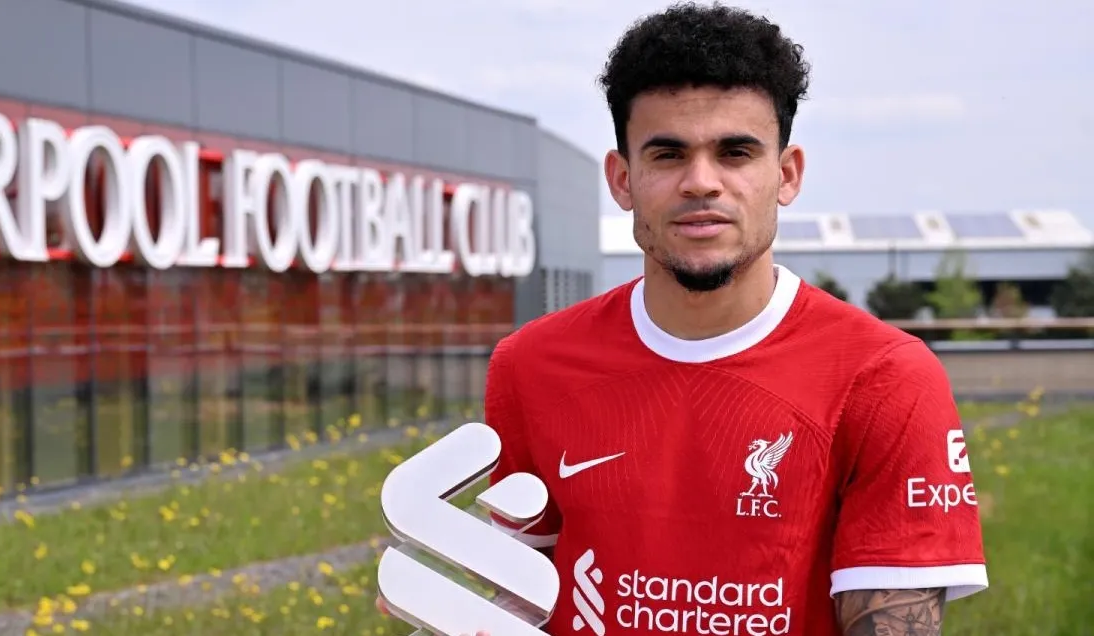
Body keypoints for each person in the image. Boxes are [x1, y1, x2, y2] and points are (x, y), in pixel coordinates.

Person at [377, 2, 988, 634]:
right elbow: (528, 594)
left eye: (735, 153)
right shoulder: (530, 366)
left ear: (786, 173)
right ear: (622, 180)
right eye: (667, 155)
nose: (702, 182)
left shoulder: (886, 377)